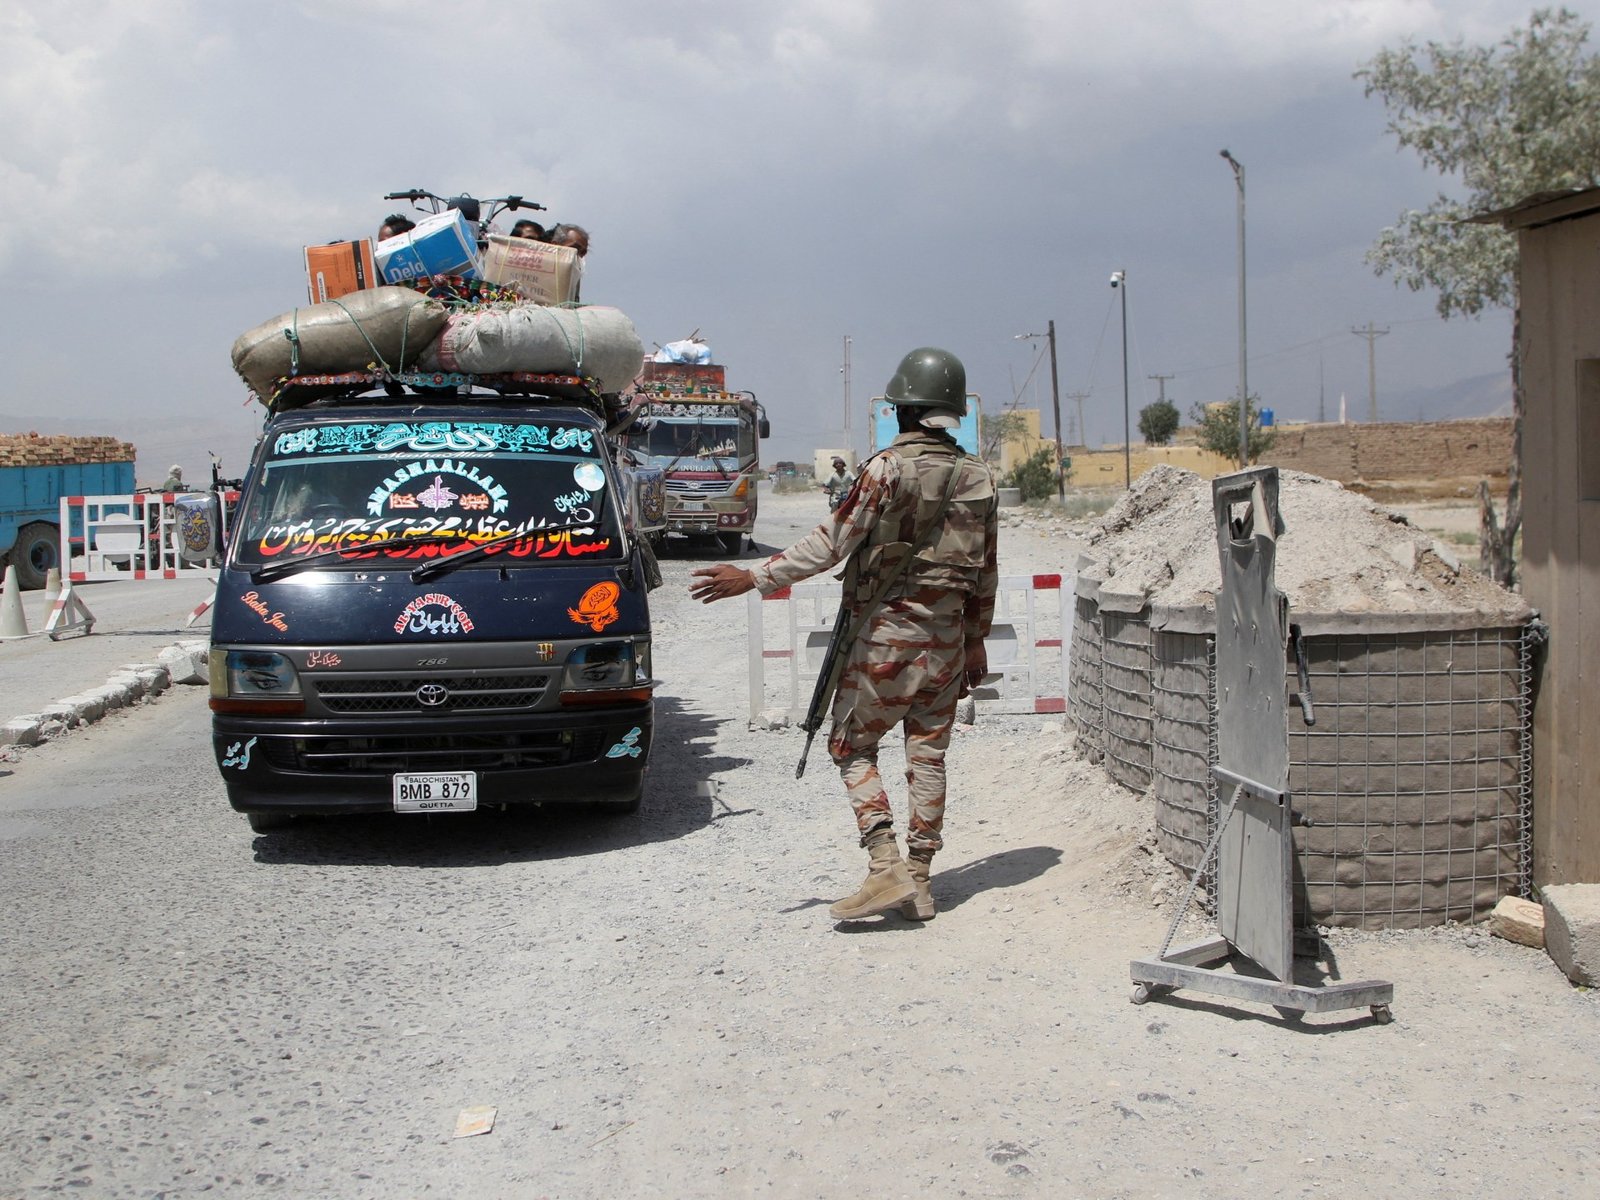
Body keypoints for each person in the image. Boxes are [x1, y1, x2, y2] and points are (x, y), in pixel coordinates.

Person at [690, 348, 998, 922]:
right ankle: (922, 881)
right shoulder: (978, 476)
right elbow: (987, 569)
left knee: (851, 746)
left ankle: (885, 866)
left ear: (902, 409)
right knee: (928, 755)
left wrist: (754, 575)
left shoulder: (885, 470)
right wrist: (976, 639)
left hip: (886, 640)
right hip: (950, 642)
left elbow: (832, 542)